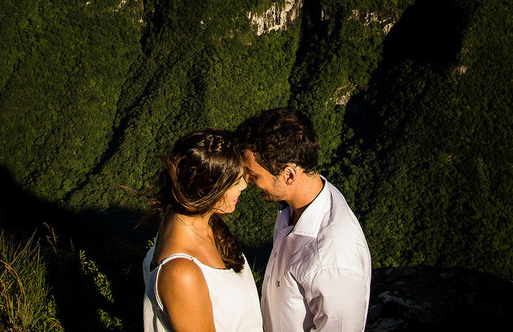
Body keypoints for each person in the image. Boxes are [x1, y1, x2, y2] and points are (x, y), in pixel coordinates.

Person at [237, 108, 371, 332]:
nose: (247, 180)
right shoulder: (295, 208)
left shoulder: (333, 260)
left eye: (254, 174)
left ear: (289, 175)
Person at [143, 129, 264, 332]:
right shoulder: (182, 274)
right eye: (234, 182)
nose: (244, 185)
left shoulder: (187, 221)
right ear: (207, 189)